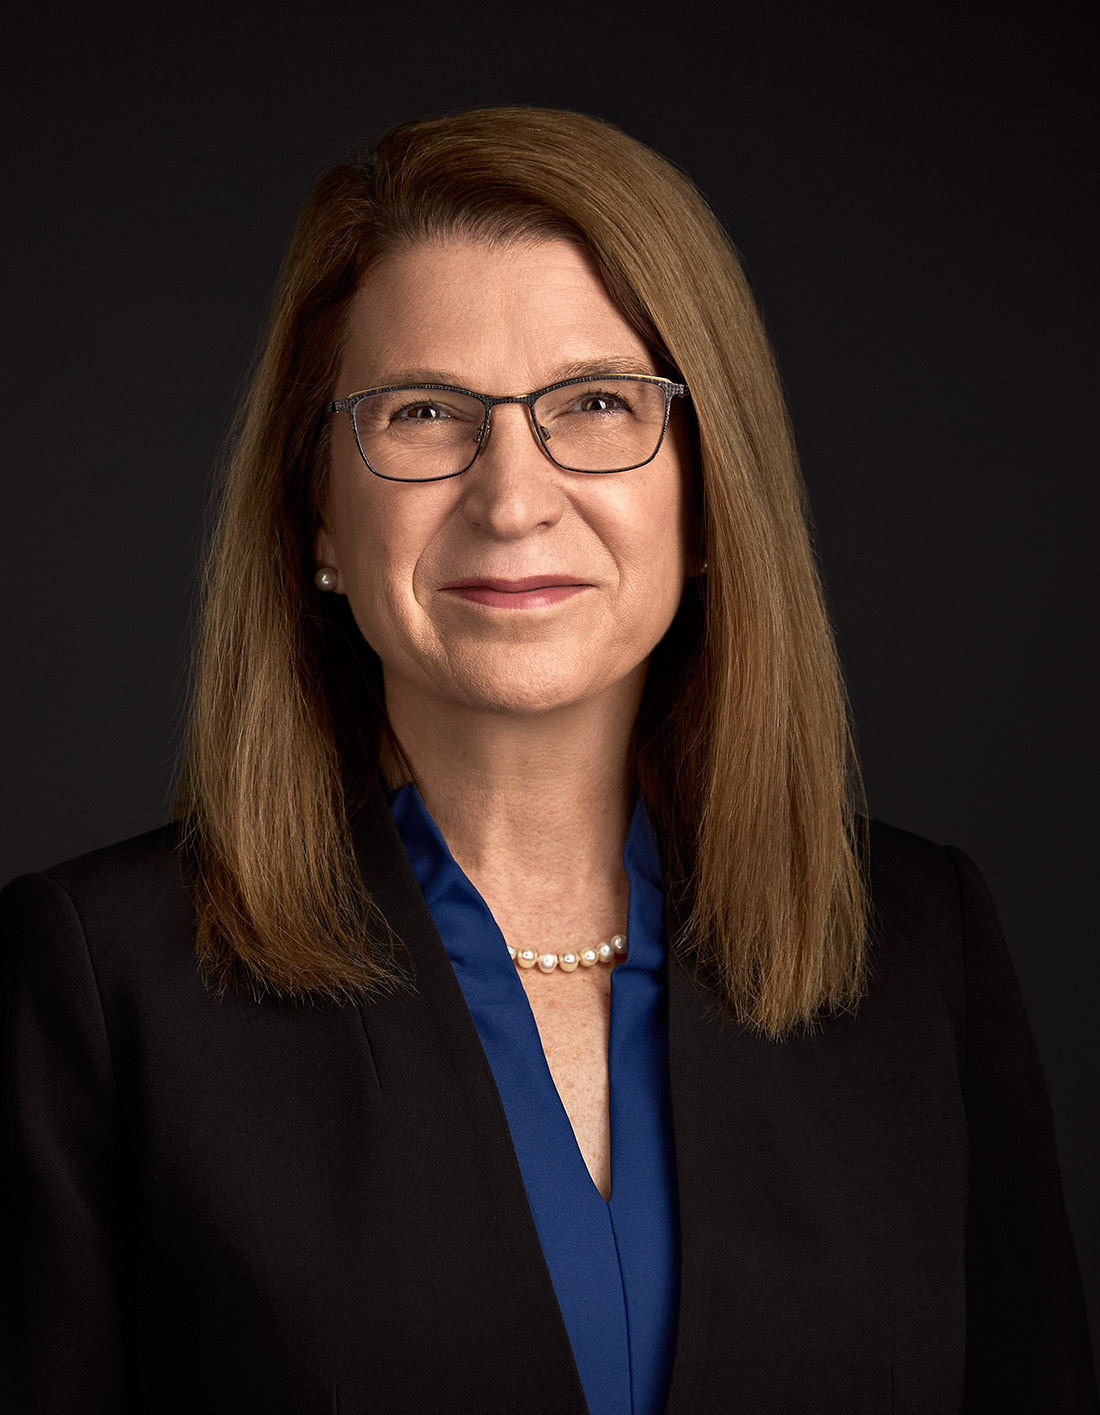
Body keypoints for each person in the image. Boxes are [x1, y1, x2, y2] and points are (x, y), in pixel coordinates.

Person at [1, 106, 1095, 1415]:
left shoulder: (921, 947)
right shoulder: (102, 986)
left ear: (709, 499)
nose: (513, 500)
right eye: (423, 412)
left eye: (596, 403)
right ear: (319, 515)